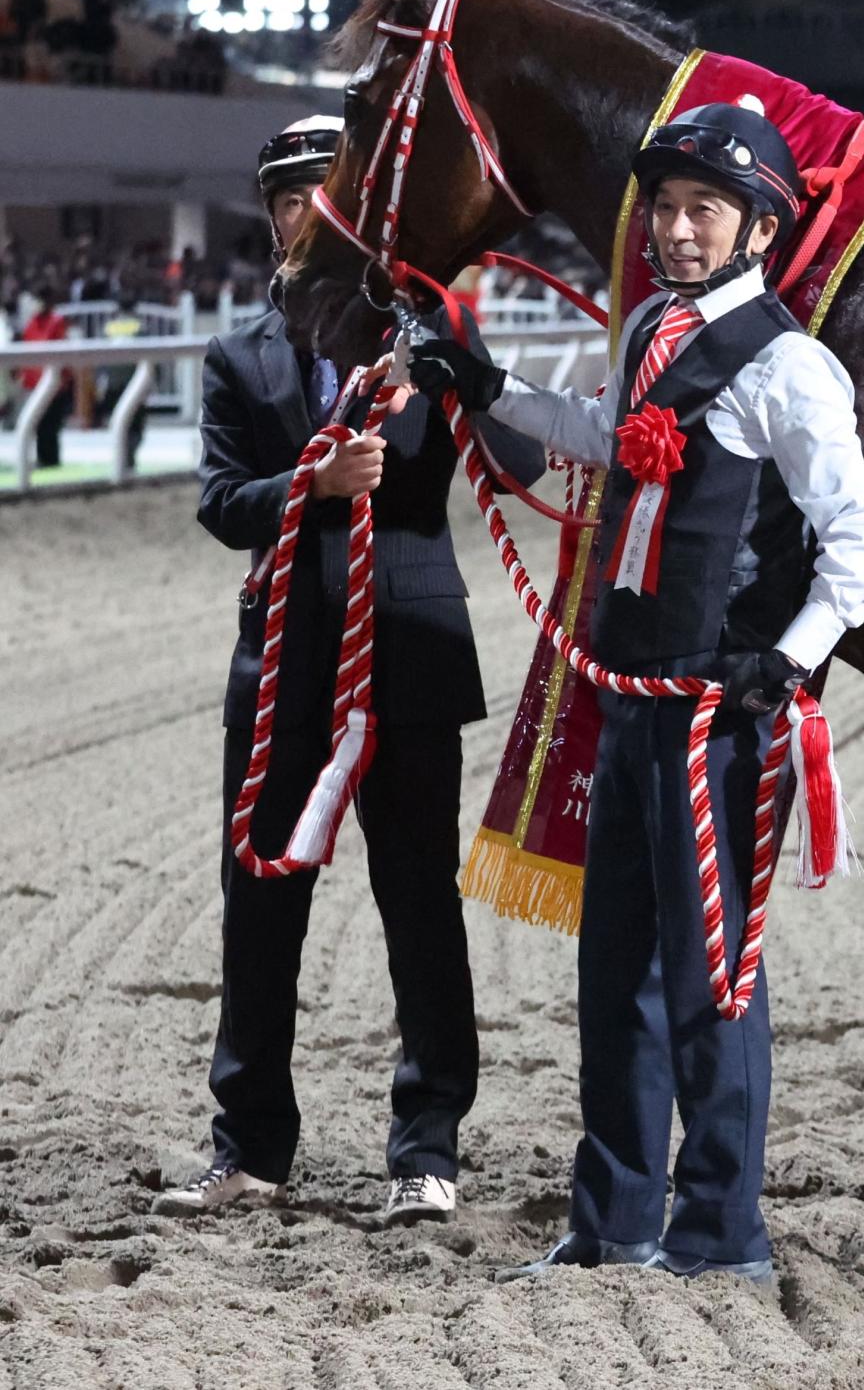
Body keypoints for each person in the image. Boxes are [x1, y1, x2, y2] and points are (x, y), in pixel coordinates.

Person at [409, 100, 864, 1281]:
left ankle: (721, 1233)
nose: (677, 232)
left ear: (759, 230)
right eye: (667, 210)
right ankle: (614, 1219)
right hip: (625, 701)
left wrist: (787, 658)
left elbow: (861, 536)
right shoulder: (648, 335)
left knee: (710, 978)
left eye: (704, 212)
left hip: (716, 721)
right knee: (611, 968)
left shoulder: (790, 367)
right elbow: (597, 430)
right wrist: (484, 382)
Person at [156, 115, 545, 1227]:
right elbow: (223, 506)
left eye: (331, 194)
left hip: (408, 658)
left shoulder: (429, 328)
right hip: (282, 660)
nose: (309, 214)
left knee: (418, 902)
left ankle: (428, 1149)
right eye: (291, 197)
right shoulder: (238, 356)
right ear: (274, 217)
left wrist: (459, 377)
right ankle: (250, 1148)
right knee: (259, 902)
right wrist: (313, 489)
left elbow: (518, 462)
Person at [18, 290, 70, 468]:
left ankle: (52, 459)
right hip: (34, 382)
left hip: (54, 383)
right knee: (38, 424)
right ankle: (42, 458)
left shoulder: (57, 321)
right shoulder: (31, 323)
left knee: (51, 425)